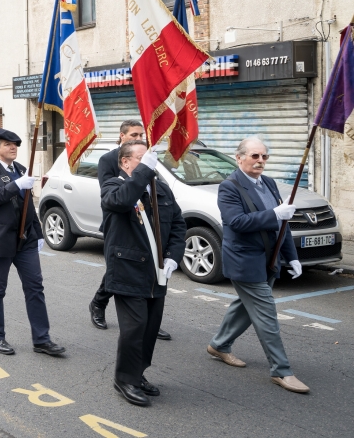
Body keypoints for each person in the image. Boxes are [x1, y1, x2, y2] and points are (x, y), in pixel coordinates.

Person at [207, 137, 308, 394]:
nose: (260, 161)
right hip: (244, 262)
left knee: (244, 307)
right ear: (239, 158)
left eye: (264, 156)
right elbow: (237, 222)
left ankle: (219, 345)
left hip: (269, 260)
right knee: (266, 315)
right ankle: (281, 371)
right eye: (254, 156)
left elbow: (281, 225)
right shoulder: (229, 187)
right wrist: (275, 213)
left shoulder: (269, 183)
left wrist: (292, 256)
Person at [100, 140, 185, 406]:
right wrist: (144, 171)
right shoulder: (114, 186)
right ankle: (124, 379)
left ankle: (138, 373)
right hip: (127, 269)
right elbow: (123, 201)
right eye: (142, 158)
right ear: (125, 162)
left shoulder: (161, 189)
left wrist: (173, 257)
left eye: (151, 159)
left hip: (157, 273)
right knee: (134, 328)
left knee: (150, 328)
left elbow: (179, 225)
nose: (151, 163)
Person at [0, 128, 66, 359]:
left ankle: (42, 339)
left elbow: (29, 207)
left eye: (15, 144)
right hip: (0, 239)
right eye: (7, 144)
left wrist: (38, 234)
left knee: (35, 287)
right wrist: (16, 185)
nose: (13, 147)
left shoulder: (21, 170)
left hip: (24, 239)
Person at [89, 120, 172, 341]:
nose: (138, 137)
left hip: (146, 219)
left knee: (146, 267)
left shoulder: (144, 155)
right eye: (133, 134)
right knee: (119, 268)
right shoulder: (108, 160)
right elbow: (113, 196)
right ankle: (98, 303)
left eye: (140, 134)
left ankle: (148, 319)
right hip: (121, 221)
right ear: (122, 136)